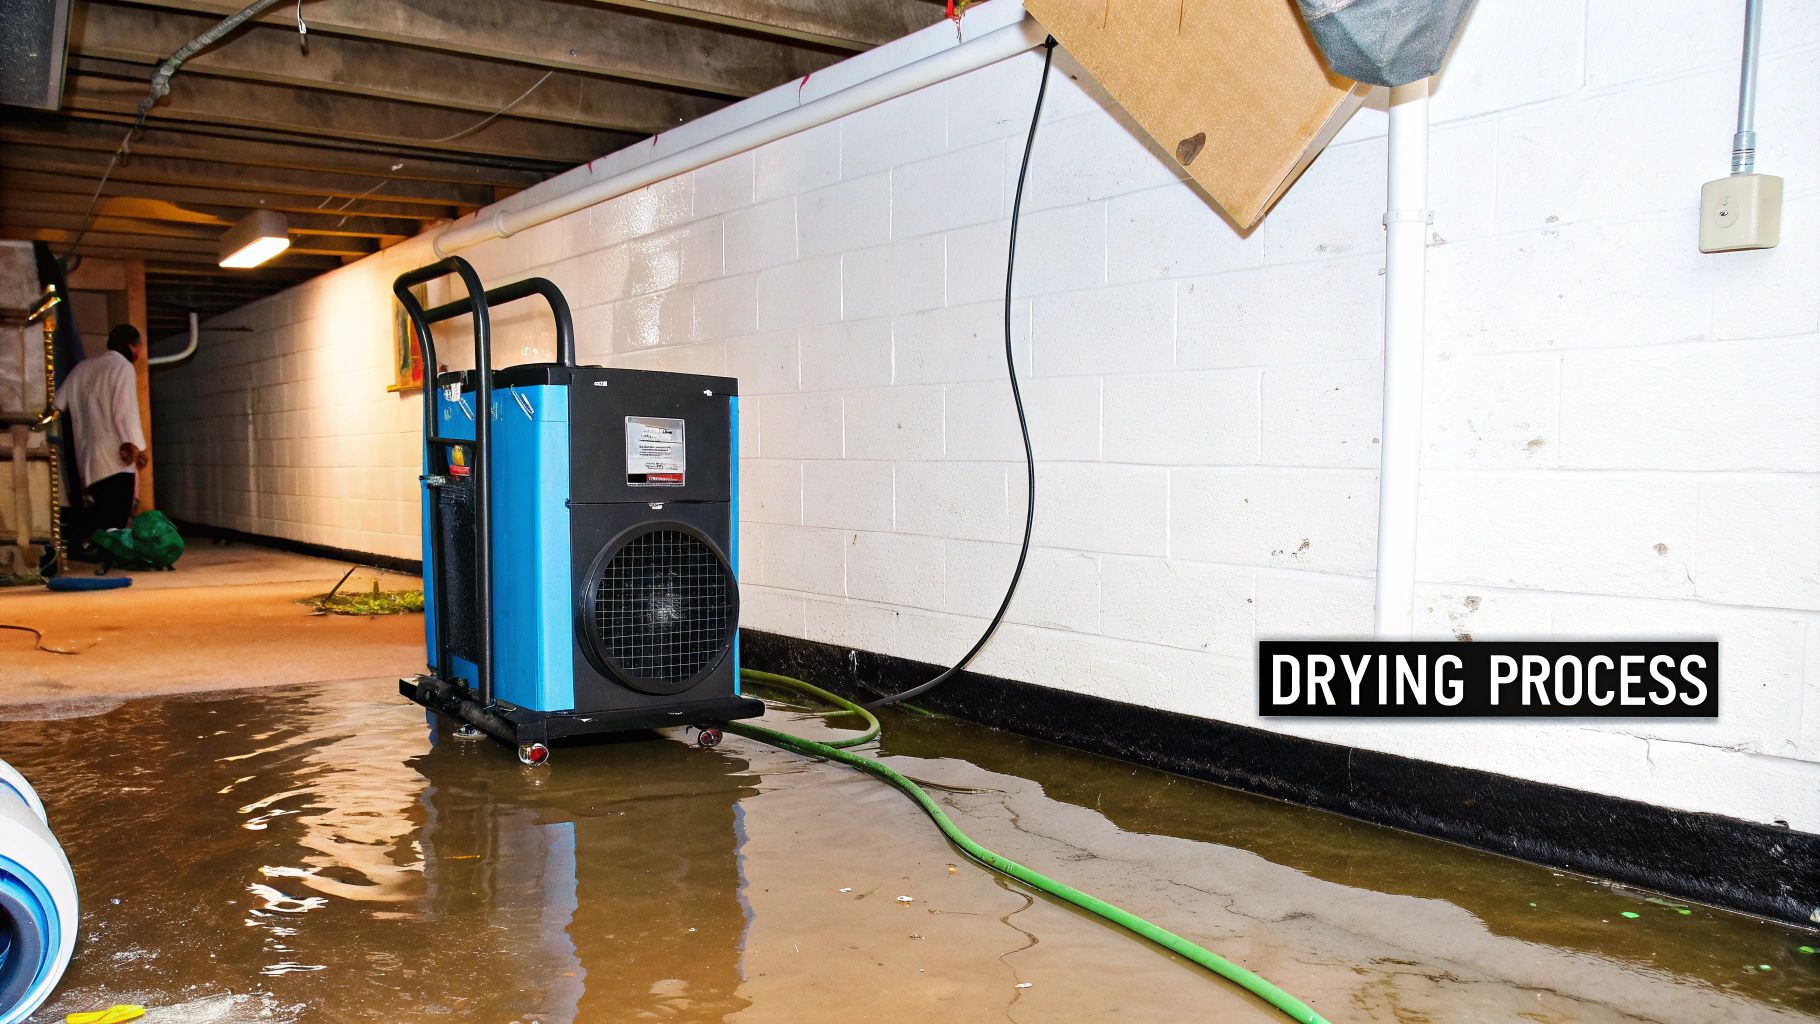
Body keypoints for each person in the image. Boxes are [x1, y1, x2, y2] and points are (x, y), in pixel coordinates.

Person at [54, 324, 147, 549]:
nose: (139, 354)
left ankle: (75, 545)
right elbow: (124, 410)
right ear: (130, 347)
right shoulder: (122, 367)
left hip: (88, 458)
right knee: (112, 519)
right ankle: (71, 545)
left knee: (101, 511)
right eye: (139, 348)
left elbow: (58, 404)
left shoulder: (81, 369)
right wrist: (135, 446)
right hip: (116, 456)